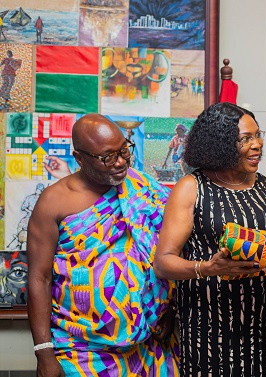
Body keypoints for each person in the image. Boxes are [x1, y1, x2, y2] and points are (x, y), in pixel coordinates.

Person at [27, 114, 179, 377]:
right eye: (107, 156)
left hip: (149, 343)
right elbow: (39, 278)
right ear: (79, 159)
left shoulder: (141, 186)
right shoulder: (54, 202)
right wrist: (44, 352)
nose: (121, 162)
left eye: (124, 150)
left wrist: (169, 308)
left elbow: (172, 249)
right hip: (82, 349)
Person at [154, 102, 266, 376]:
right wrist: (208, 268)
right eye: (245, 139)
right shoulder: (191, 188)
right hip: (208, 330)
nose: (257, 144)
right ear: (220, 143)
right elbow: (163, 263)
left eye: (258, 135)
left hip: (262, 328)